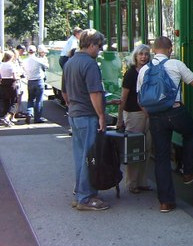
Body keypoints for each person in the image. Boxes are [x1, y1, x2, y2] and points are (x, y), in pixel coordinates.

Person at [137, 36, 193, 213]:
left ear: (153, 50)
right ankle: (189, 170)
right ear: (170, 49)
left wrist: (151, 115)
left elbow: (140, 99)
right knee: (191, 133)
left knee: (162, 158)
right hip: (175, 112)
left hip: (155, 116)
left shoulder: (144, 70)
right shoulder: (176, 64)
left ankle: (165, 202)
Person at [61, 29, 110, 211]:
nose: (100, 50)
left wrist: (74, 103)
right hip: (88, 116)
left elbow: (65, 92)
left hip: (75, 114)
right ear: (92, 45)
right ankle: (86, 197)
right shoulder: (89, 64)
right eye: (99, 46)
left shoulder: (70, 62)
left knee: (80, 157)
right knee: (91, 158)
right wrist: (101, 116)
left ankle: (80, 193)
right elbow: (94, 92)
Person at [115, 44, 153, 194]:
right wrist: (119, 120)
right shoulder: (130, 74)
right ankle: (132, 183)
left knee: (147, 148)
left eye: (146, 54)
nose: (143, 57)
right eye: (141, 54)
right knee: (135, 149)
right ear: (135, 56)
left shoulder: (149, 72)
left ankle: (142, 181)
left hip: (148, 113)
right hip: (133, 114)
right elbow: (123, 98)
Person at [23, 45, 49, 124]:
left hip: (30, 81)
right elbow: (47, 66)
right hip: (39, 81)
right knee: (39, 100)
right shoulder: (38, 60)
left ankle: (29, 112)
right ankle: (37, 118)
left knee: (30, 99)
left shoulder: (25, 61)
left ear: (28, 51)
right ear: (35, 51)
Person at [0, 51, 21, 127]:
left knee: (5, 102)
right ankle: (7, 117)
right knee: (14, 102)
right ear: (12, 57)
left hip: (2, 84)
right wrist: (19, 77)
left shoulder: (1, 65)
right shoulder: (12, 65)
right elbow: (15, 77)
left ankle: (4, 116)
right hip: (11, 84)